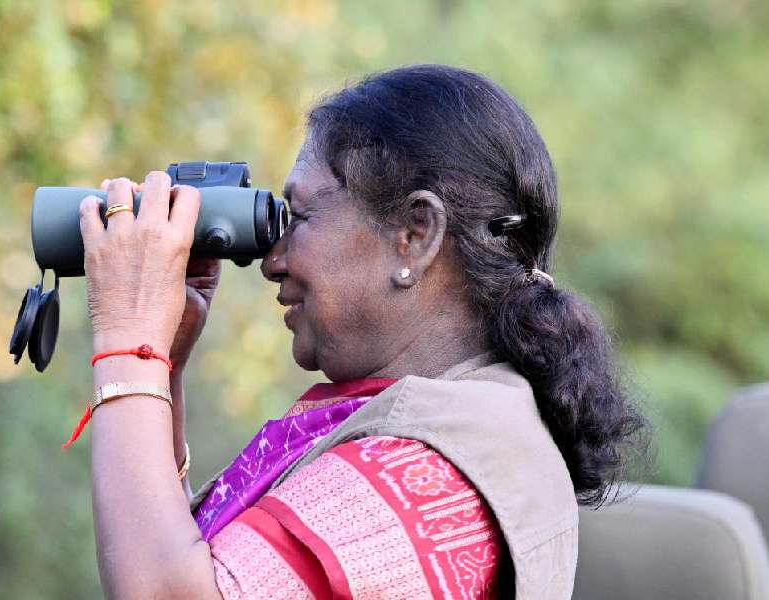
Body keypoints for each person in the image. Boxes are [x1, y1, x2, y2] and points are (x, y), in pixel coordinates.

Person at [74, 65, 647, 599]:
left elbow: (163, 591)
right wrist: (162, 367)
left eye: (299, 217)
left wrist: (129, 340)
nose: (273, 260)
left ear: (416, 234)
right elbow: (189, 561)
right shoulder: (464, 422)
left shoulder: (430, 475)